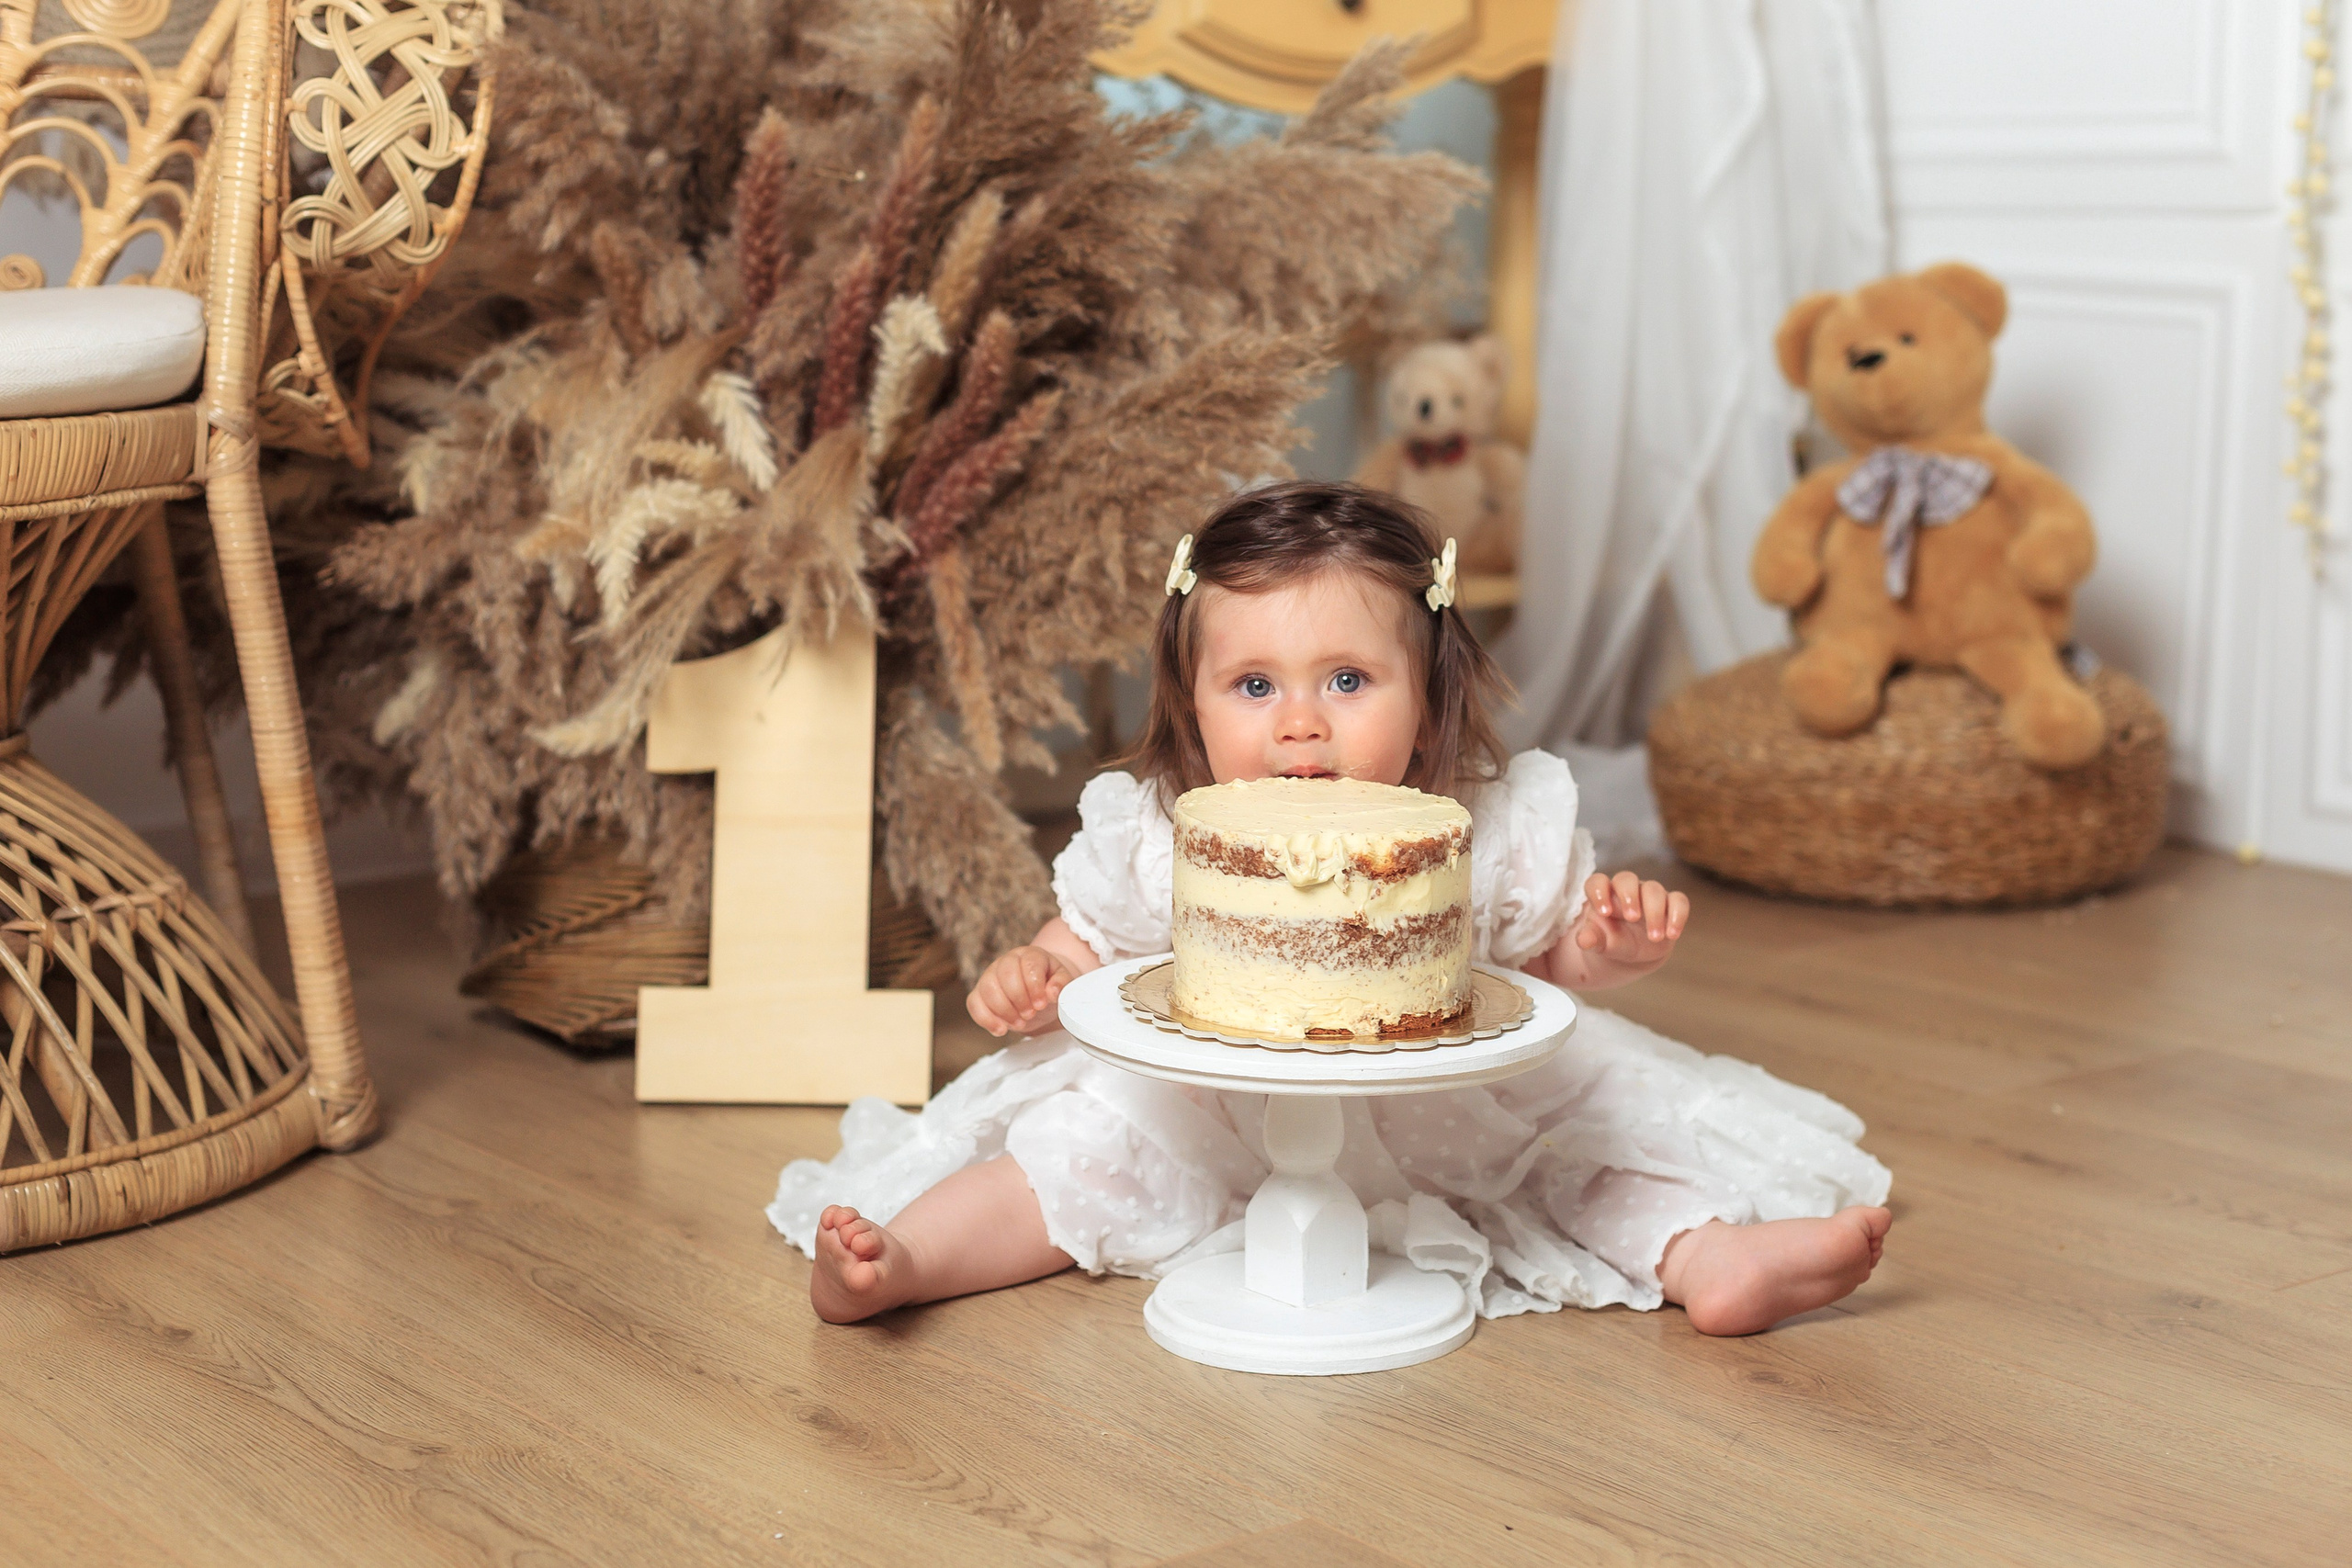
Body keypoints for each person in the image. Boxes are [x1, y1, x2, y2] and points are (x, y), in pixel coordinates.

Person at [769, 480, 1891, 1336]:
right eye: (1254, 686)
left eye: (1347, 681)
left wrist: (1603, 949)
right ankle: (900, 1265)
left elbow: (1539, 968)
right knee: (1069, 1150)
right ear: (1193, 700)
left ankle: (1707, 1259)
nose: (1300, 723)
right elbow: (1092, 944)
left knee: (1587, 1145)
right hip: (1206, 1107)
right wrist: (1038, 972)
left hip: (1449, 1101)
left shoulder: (1481, 826)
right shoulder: (1167, 829)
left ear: (1429, 689)